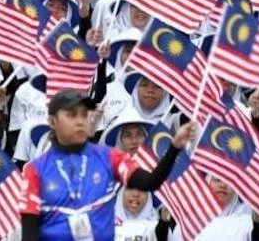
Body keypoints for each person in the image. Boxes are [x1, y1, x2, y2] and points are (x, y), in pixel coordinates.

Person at [21, 89, 197, 240]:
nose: (80, 121)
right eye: (71, 115)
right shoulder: (34, 170)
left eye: (83, 114)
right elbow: (29, 232)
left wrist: (174, 148)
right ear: (52, 122)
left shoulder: (110, 157)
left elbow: (150, 182)